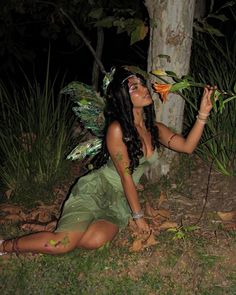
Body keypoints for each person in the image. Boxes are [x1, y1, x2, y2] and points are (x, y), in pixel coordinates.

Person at [0, 66, 214, 255]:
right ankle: (6, 246)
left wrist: (202, 114)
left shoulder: (154, 129)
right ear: (123, 97)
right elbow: (126, 176)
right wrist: (138, 217)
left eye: (142, 84)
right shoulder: (117, 130)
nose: (144, 89)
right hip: (97, 190)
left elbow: (187, 147)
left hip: (118, 201)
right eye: (134, 88)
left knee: (95, 240)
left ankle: (58, 225)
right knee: (62, 244)